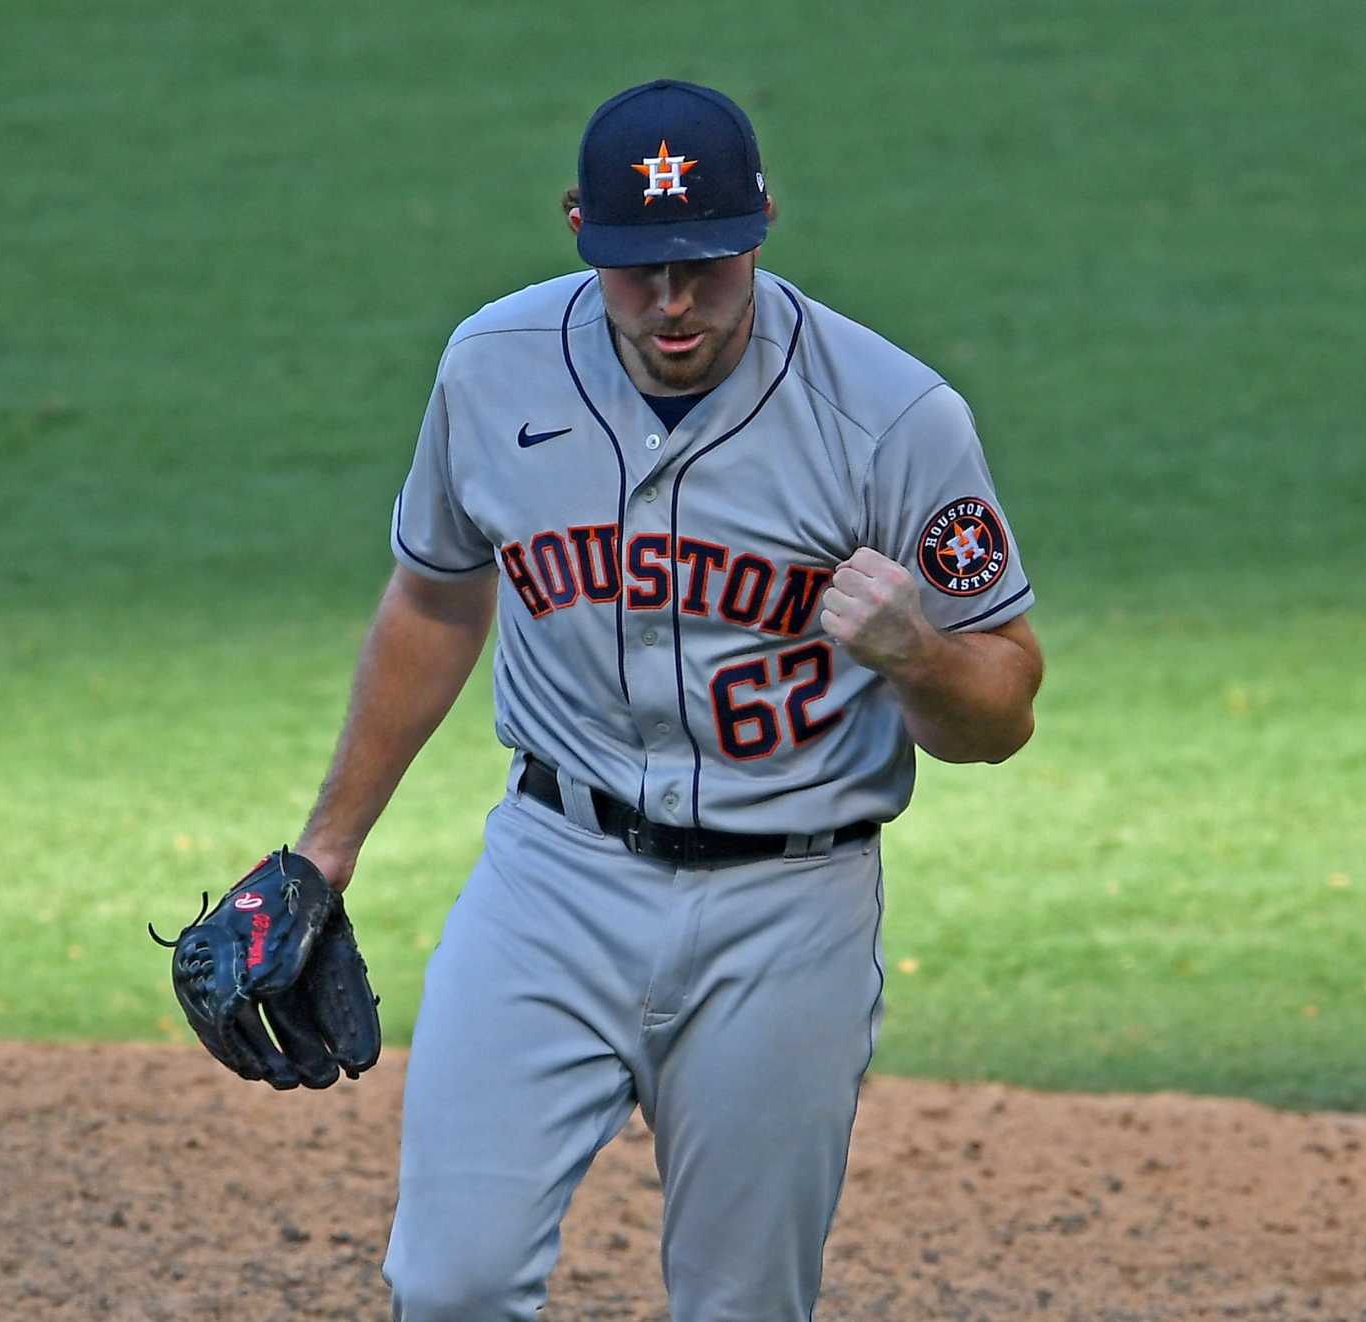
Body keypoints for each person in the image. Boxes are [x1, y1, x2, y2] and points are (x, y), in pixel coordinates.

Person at [293, 78, 1043, 1321]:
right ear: (579, 227)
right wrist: (328, 849)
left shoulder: (895, 418)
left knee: (741, 1303)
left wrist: (920, 655)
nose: (674, 300)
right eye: (640, 269)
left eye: (704, 262)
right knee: (449, 1281)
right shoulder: (491, 368)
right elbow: (434, 597)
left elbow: (1003, 707)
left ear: (760, 228)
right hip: (552, 875)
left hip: (787, 903)